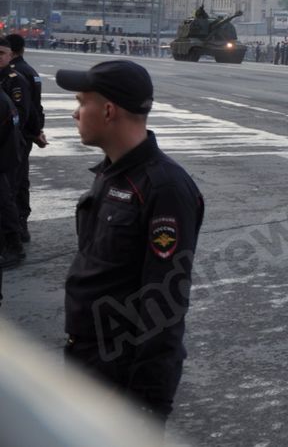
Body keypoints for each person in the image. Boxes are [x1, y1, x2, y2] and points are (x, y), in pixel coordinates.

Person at [57, 61, 204, 424]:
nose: (75, 113)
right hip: (88, 361)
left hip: (118, 378)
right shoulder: (112, 174)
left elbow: (164, 304)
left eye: (81, 102)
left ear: (108, 110)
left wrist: (145, 406)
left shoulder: (163, 188)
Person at [4, 35, 45, 244]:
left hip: (16, 136)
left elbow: (24, 110)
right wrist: (37, 131)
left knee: (13, 184)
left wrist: (33, 131)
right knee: (19, 182)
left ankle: (17, 231)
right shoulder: (29, 71)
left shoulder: (16, 74)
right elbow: (36, 106)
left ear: (11, 51)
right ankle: (20, 226)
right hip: (25, 134)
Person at [0, 41, 31, 267]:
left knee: (6, 197)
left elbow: (20, 115)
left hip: (8, 149)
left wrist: (35, 133)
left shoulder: (15, 80)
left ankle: (14, 244)